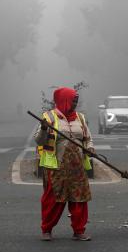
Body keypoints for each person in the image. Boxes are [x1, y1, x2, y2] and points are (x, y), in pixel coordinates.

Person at [34, 87, 95, 241]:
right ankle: (46, 230)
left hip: (77, 167)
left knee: (79, 199)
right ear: (64, 100)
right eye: (73, 101)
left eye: (76, 101)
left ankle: (79, 231)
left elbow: (87, 138)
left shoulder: (80, 118)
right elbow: (39, 140)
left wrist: (90, 149)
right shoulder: (49, 118)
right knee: (53, 200)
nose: (75, 104)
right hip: (56, 166)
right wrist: (43, 128)